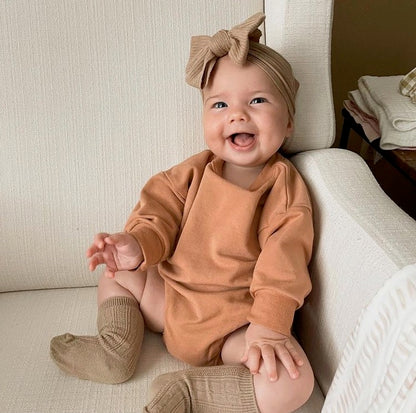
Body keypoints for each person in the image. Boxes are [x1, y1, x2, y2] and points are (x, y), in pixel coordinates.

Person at [50, 13, 315, 413]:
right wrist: (135, 245)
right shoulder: (191, 174)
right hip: (169, 300)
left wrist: (268, 325)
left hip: (235, 325)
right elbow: (158, 215)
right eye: (220, 104)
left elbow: (286, 259)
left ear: (289, 121)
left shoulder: (283, 189)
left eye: (257, 101)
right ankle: (115, 348)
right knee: (118, 275)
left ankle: (189, 392)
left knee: (294, 382)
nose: (237, 114)